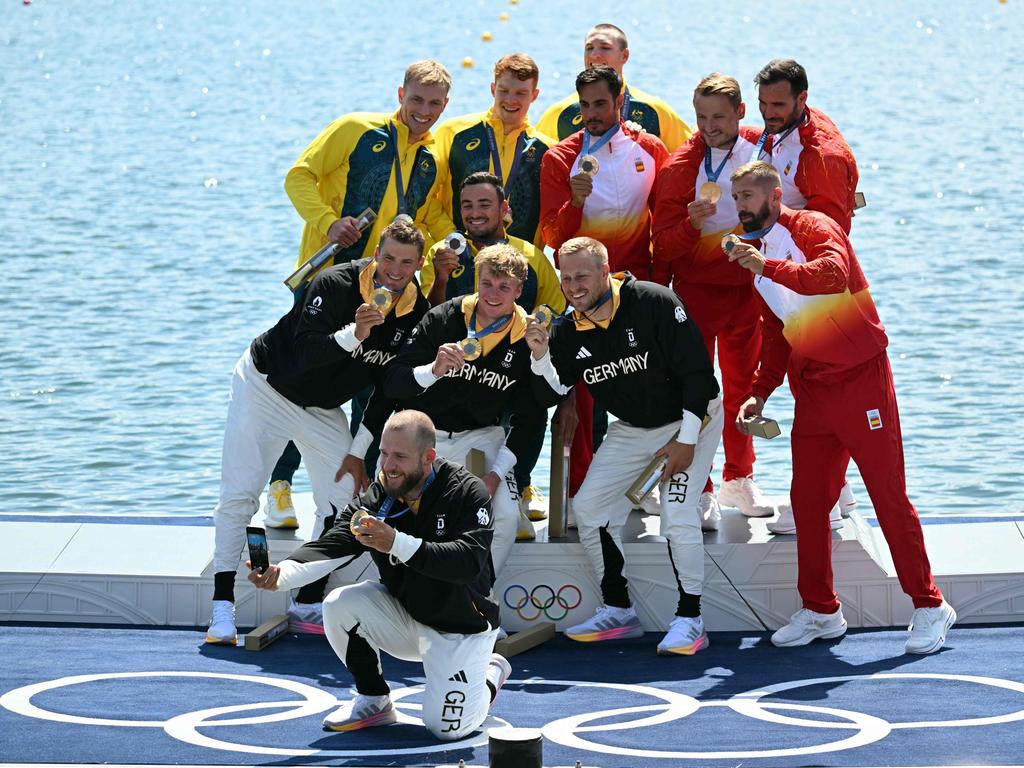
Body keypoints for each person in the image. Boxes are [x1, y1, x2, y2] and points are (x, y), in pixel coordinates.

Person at [727, 161, 956, 654]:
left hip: (861, 382)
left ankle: (931, 605)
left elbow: (831, 275)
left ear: (773, 194)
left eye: (747, 194)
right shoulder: (754, 254)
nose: (740, 204)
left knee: (887, 496)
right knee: (808, 504)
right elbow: (776, 333)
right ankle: (821, 611)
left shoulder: (813, 226)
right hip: (812, 390)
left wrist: (766, 267)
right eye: (735, 195)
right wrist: (759, 392)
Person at [206, 220, 430, 644]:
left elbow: (386, 394)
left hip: (322, 409)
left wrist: (358, 451)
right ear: (375, 253)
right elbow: (307, 354)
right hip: (265, 385)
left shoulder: (415, 315)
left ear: (419, 264)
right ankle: (222, 609)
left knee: (345, 499)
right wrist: (355, 333)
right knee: (241, 495)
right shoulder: (335, 281)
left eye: (406, 262)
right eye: (387, 259)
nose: (395, 271)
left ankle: (306, 598)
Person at [262, 59, 456, 532]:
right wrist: (328, 221)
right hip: (330, 286)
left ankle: (358, 491)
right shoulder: (355, 130)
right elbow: (298, 176)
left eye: (434, 104)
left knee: (372, 394)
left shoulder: (433, 158)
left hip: (390, 297)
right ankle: (281, 486)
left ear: (445, 105)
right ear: (399, 94)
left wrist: (453, 246)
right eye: (416, 100)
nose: (424, 111)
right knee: (304, 386)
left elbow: (429, 221)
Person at [248, 410, 512, 738]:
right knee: (339, 604)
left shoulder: (467, 492)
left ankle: (489, 674)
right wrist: (280, 575)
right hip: (407, 616)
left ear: (429, 457)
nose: (388, 466)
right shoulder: (381, 494)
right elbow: (335, 542)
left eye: (400, 456)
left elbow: (467, 563)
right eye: (384, 453)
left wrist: (395, 542)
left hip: (461, 630)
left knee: (446, 729)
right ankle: (374, 700)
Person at [526, 236, 723, 655]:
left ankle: (691, 619)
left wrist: (685, 442)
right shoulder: (566, 327)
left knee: (677, 512)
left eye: (582, 275)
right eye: (565, 278)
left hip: (695, 417)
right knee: (590, 508)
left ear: (604, 270)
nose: (573, 285)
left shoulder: (653, 300)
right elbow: (552, 391)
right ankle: (618, 609)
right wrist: (541, 355)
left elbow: (700, 378)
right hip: (633, 428)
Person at [540, 64, 670, 505]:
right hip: (584, 291)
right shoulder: (559, 158)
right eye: (585, 105)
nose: (592, 113)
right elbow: (554, 239)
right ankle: (580, 492)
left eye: (601, 103)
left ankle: (642, 488)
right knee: (583, 397)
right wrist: (575, 201)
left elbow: (665, 225)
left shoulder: (650, 149)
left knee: (648, 390)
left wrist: (660, 285)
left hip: (635, 288)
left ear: (620, 102)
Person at [385, 245, 553, 567]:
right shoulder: (444, 317)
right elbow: (394, 382)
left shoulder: (528, 337)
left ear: (519, 290)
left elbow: (531, 417)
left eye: (505, 287)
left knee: (505, 517)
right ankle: (402, 599)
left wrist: (495, 475)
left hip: (481, 435)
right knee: (398, 512)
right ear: (477, 279)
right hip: (425, 435)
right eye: (487, 283)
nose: (493, 294)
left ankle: (480, 605)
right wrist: (432, 370)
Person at [652, 73, 768, 527]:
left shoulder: (764, 148)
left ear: (741, 112)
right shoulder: (681, 166)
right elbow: (661, 246)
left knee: (746, 388)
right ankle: (695, 487)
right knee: (696, 391)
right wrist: (689, 226)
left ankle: (738, 478)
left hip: (749, 291)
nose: (709, 125)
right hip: (697, 294)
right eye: (701, 116)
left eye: (719, 116)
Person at [752, 58, 862, 529]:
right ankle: (841, 496)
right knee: (809, 389)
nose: (768, 113)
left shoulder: (822, 154)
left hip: (815, 288)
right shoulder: (778, 131)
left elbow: (833, 235)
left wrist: (790, 276)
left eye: (778, 104)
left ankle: (819, 505)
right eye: (762, 104)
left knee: (819, 390)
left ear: (803, 99)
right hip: (782, 280)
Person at [420, 172, 566, 526]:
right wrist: (440, 277)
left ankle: (523, 483)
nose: (474, 213)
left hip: (510, 365)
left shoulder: (530, 255)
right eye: (467, 205)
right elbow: (426, 318)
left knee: (532, 408)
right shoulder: (443, 253)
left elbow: (558, 315)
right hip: (458, 369)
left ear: (504, 209)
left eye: (484, 204)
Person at [432, 53, 554, 250]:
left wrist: (532, 257)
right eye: (503, 90)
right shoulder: (453, 133)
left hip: (518, 266)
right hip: (460, 259)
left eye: (521, 93)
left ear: (535, 95)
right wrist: (453, 240)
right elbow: (428, 201)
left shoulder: (547, 150)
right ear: (492, 89)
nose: (510, 100)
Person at [536, 23, 691, 152]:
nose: (594, 54)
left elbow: (689, 155)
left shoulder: (655, 110)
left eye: (605, 47)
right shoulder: (561, 113)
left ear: (624, 56)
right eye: (589, 47)